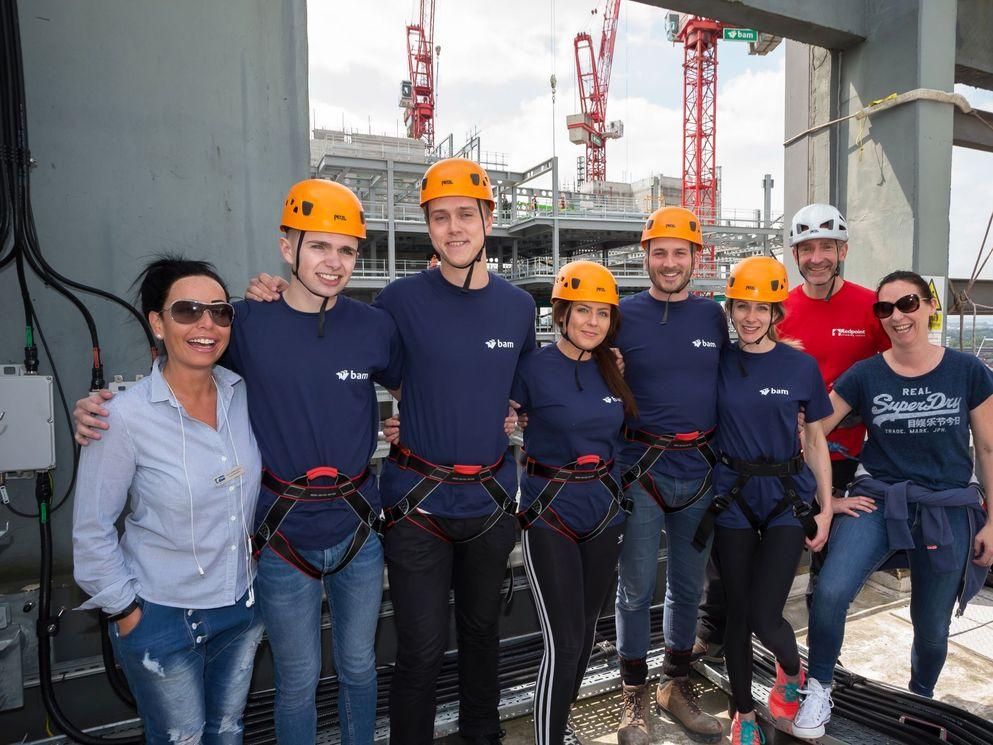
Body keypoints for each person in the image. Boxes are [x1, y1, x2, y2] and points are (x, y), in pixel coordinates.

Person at [74, 180, 401, 745]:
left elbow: (417, 386)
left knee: (359, 669)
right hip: (282, 538)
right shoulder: (245, 322)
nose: (334, 262)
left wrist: (468, 418)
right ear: (286, 247)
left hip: (357, 530)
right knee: (296, 681)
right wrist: (101, 409)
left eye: (347, 249)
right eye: (319, 246)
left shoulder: (373, 327)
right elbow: (187, 368)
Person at [794, 270, 993, 739]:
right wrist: (830, 501)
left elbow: (986, 449)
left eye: (907, 304)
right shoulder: (866, 374)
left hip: (946, 507)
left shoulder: (968, 371)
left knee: (931, 623)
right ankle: (819, 686)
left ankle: (919, 696)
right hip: (878, 498)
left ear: (929, 306)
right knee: (831, 591)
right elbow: (814, 430)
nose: (897, 316)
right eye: (885, 309)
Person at [73, 257, 263, 745]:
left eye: (220, 312)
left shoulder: (243, 394)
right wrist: (128, 614)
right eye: (188, 310)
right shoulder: (122, 418)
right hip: (161, 616)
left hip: (239, 608)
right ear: (157, 323)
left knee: (227, 731)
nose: (206, 324)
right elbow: (91, 532)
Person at [693, 255, 833, 744]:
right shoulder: (719, 360)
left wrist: (828, 509)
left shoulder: (800, 366)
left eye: (762, 307)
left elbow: (815, 440)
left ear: (777, 312)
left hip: (785, 501)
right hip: (732, 497)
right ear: (729, 310)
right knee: (735, 615)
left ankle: (791, 671)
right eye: (741, 307)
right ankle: (744, 713)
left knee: (765, 615)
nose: (750, 316)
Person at [612, 206, 728, 745]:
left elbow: (744, 374)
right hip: (642, 471)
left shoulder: (713, 318)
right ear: (647, 257)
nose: (669, 262)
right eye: (660, 252)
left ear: (696, 258)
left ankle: (674, 687)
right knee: (634, 589)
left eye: (680, 252)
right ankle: (634, 698)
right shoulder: (622, 315)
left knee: (686, 589)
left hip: (699, 471)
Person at [512, 261, 637, 744]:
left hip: (604, 516)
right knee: (563, 642)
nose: (592, 322)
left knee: (584, 635)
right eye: (582, 310)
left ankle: (558, 728)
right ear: (561, 313)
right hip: (551, 517)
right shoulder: (532, 369)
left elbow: (622, 441)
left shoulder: (612, 368)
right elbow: (488, 411)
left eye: (602, 314)